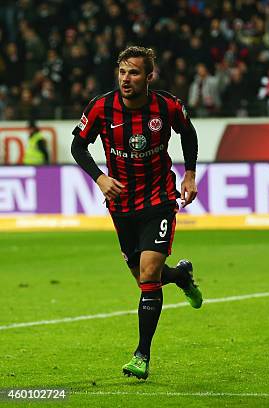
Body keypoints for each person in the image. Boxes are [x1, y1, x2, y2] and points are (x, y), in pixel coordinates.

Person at [70, 46, 203, 380]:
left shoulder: (167, 106)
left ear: (149, 77)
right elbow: (77, 146)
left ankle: (141, 355)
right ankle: (181, 277)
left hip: (158, 198)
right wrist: (100, 178)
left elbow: (188, 132)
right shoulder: (101, 107)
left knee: (147, 275)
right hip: (121, 204)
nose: (125, 79)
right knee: (146, 278)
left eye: (133, 73)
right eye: (122, 72)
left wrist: (189, 173)